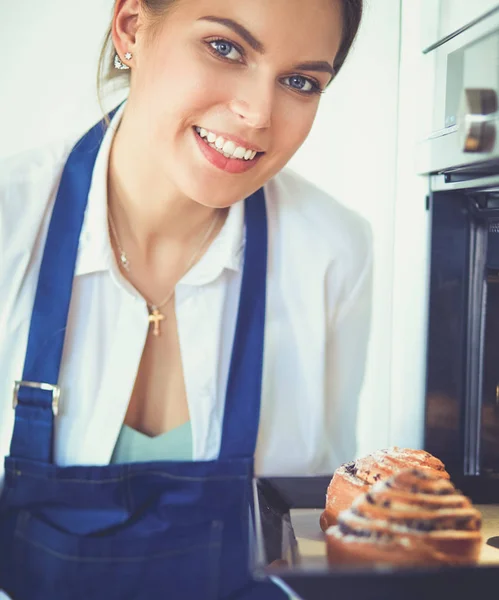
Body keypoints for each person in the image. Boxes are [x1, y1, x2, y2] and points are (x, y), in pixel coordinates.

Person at [0, 0, 370, 598]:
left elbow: (313, 529)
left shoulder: (333, 252)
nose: (257, 113)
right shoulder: (10, 225)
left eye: (300, 81)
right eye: (225, 48)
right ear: (131, 28)